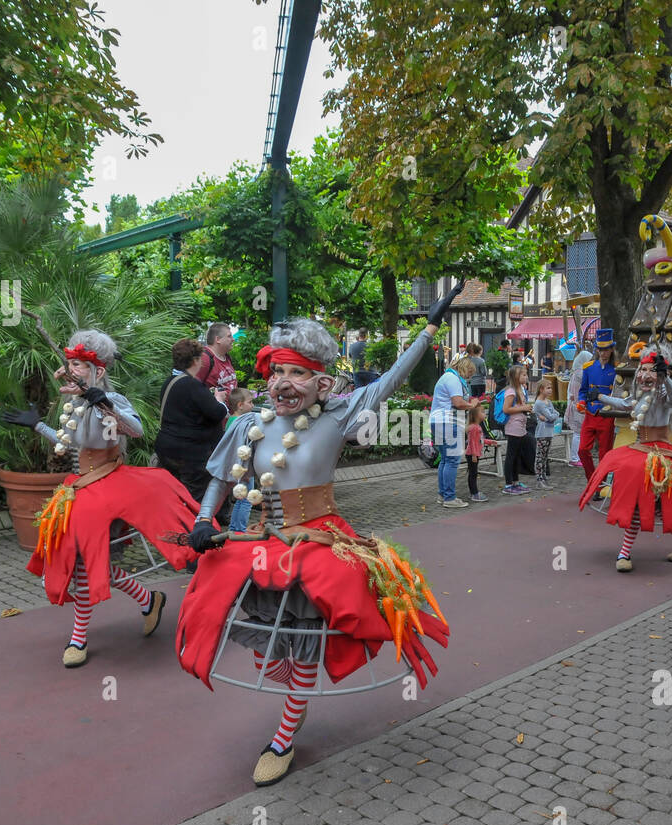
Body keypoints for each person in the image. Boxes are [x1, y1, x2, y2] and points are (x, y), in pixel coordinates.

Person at [175, 284, 462, 786]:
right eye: (277, 372)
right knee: (246, 613)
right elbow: (221, 478)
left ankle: (284, 734)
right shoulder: (249, 425)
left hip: (320, 535)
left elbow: (393, 377)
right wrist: (203, 521)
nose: (283, 382)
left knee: (312, 620)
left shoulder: (339, 414)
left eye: (297, 373)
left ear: (322, 383)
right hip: (262, 535)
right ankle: (292, 688)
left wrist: (431, 325)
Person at [1, 329, 201, 668]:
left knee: (83, 561)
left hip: (109, 483)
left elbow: (135, 431)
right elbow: (73, 445)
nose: (71, 369)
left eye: (79, 364)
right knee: (84, 562)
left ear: (99, 371)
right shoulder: (74, 404)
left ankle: (79, 636)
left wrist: (104, 403)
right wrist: (37, 425)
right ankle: (148, 599)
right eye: (71, 363)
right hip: (80, 485)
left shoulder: (113, 400)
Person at [577, 351, 672, 571]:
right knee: (656, 505)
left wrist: (665, 377)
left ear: (658, 373)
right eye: (643, 369)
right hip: (640, 448)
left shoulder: (662, 395)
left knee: (641, 502)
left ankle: (624, 554)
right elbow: (625, 403)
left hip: (659, 453)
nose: (645, 374)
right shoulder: (641, 394)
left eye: (650, 370)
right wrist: (599, 398)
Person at [155, 338, 231, 526]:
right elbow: (217, 412)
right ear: (196, 360)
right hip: (190, 452)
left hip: (167, 448)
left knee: (176, 493)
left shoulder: (170, 381)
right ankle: (194, 537)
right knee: (196, 497)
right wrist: (219, 399)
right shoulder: (192, 385)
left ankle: (175, 528)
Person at [431, 355, 480, 507]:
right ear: (464, 369)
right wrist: (472, 405)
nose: (469, 377)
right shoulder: (453, 379)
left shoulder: (447, 377)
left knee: (445, 460)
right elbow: (458, 403)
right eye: (469, 373)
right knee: (452, 460)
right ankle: (449, 498)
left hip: (438, 421)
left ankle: (443, 494)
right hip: (448, 422)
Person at [577, 328, 619, 481]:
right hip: (590, 413)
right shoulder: (588, 367)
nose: (603, 353)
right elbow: (583, 390)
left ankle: (599, 484)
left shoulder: (618, 368)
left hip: (607, 415)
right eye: (600, 349)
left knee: (604, 453)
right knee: (582, 450)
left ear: (611, 349)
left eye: (606, 349)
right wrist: (581, 401)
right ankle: (592, 479)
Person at [225, 388, 256, 531]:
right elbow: (242, 447)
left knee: (240, 499)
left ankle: (234, 528)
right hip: (243, 467)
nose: (253, 405)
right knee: (247, 500)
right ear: (240, 405)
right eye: (250, 402)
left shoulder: (230, 420)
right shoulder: (241, 423)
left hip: (236, 467)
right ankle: (240, 529)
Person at [499, 364, 533, 494]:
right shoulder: (511, 391)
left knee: (517, 455)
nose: (526, 377)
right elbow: (506, 409)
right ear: (515, 377)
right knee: (511, 455)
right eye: (523, 374)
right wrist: (523, 408)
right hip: (513, 427)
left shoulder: (521, 389)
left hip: (520, 426)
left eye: (526, 374)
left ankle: (516, 482)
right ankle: (508, 485)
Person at [564, 343, 593, 466]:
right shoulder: (581, 373)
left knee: (578, 433)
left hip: (575, 405)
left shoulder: (576, 372)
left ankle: (576, 457)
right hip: (579, 406)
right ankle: (575, 458)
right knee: (578, 433)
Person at [532, 377, 561, 490]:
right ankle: (539, 480)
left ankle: (543, 478)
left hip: (549, 432)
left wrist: (553, 416)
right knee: (540, 456)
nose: (550, 390)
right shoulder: (539, 403)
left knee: (545, 457)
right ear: (541, 389)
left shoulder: (548, 402)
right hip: (542, 433)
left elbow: (553, 414)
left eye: (550, 388)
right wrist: (553, 416)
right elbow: (551, 416)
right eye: (548, 388)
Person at [195, 322, 238, 393]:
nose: (233, 339)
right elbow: (194, 388)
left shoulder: (226, 357)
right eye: (229, 336)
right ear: (218, 339)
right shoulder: (204, 359)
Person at [464, 403, 488, 502]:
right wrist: (474, 454)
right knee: (473, 474)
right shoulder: (474, 428)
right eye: (482, 412)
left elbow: (480, 440)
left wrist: (490, 442)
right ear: (476, 415)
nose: (485, 413)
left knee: (473, 473)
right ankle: (474, 493)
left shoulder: (476, 426)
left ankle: (474, 492)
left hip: (473, 453)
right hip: (472, 454)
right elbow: (472, 442)